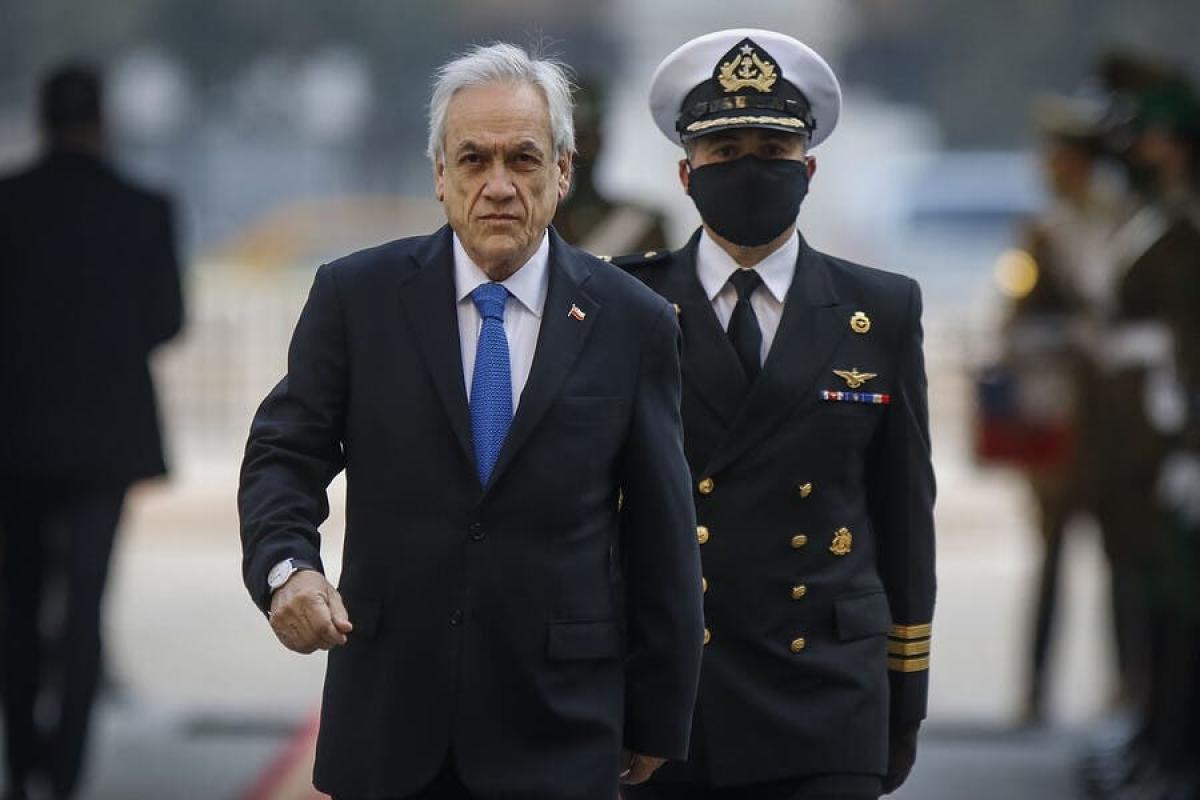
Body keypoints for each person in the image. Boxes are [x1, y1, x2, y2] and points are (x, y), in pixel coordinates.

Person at [237, 43, 704, 800]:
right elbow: (284, 455)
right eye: (473, 160)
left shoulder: (634, 322)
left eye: (523, 159)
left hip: (559, 725)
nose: (498, 186)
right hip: (391, 718)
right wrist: (288, 568)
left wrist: (659, 711)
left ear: (562, 172)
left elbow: (663, 533)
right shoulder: (357, 299)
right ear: (439, 174)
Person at [617, 29, 936, 800]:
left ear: (809, 169)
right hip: (671, 700)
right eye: (725, 151)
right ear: (686, 173)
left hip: (828, 693)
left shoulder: (880, 310)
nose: (750, 168)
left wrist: (905, 695)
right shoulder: (623, 302)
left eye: (773, 149)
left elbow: (903, 520)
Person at [0, 63, 183, 800]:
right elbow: (167, 319)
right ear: (103, 121)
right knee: (84, 606)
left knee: (16, 605)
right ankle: (67, 769)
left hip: (14, 439)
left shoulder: (7, 204)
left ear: (42, 119)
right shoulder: (144, 208)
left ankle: (21, 763)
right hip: (105, 441)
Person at [998, 93, 1122, 724]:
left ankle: (1132, 691)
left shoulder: (1123, 222)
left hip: (1119, 421)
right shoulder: (1042, 233)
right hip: (1062, 418)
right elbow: (1016, 324)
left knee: (1126, 561)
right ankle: (1035, 688)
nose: (1050, 167)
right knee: (1050, 558)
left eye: (1061, 156)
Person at [552, 78, 669, 256]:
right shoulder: (542, 224)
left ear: (600, 140)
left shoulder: (642, 226)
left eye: (587, 138)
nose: (581, 150)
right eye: (575, 141)